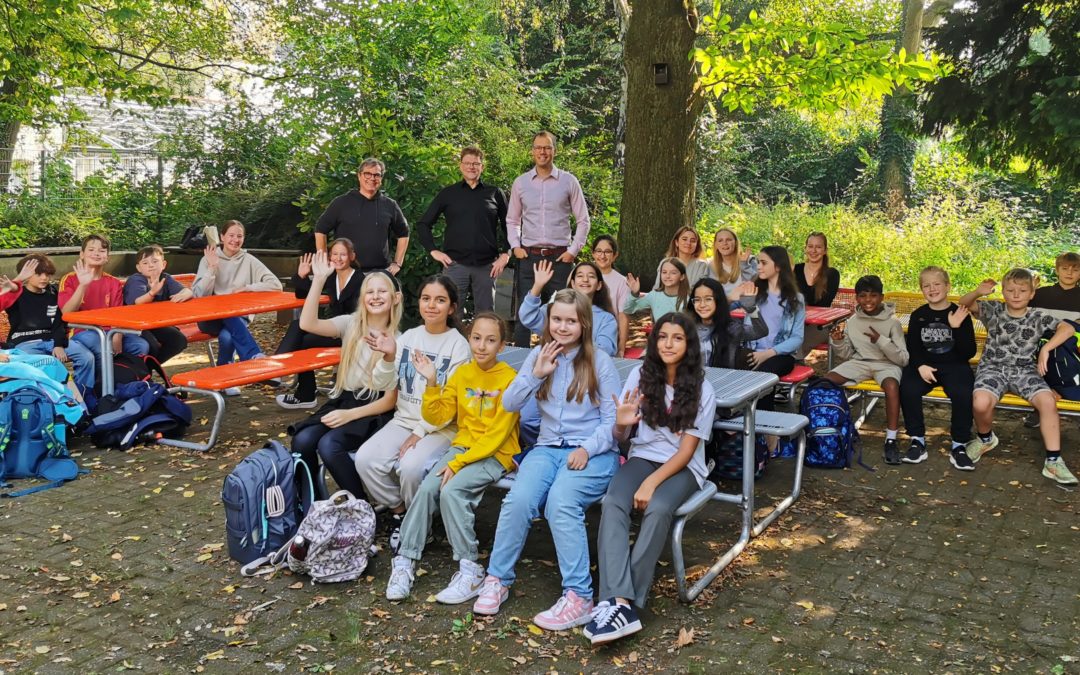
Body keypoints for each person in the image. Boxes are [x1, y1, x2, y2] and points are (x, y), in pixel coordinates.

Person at [473, 289, 620, 631]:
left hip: (593, 452)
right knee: (518, 499)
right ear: (548, 321)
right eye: (557, 319)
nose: (563, 327)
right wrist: (536, 373)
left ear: (584, 323)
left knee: (560, 503)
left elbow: (612, 422)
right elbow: (509, 404)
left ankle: (580, 596)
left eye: (571, 321)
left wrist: (588, 449)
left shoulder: (599, 361)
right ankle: (497, 579)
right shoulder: (539, 354)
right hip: (547, 448)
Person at [585, 313, 716, 644]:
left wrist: (650, 483)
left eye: (677, 338)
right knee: (613, 500)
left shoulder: (703, 389)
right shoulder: (640, 377)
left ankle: (626, 602)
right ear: (654, 342)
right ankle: (615, 601)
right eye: (662, 337)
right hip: (642, 456)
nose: (668, 344)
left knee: (657, 507)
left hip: (683, 468)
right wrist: (620, 424)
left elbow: (686, 452)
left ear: (689, 346)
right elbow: (622, 435)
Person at [385, 312, 520, 604]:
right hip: (462, 448)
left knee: (452, 492)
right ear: (469, 338)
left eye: (490, 340)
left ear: (502, 346)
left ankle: (471, 568)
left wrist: (456, 463)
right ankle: (405, 560)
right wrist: (432, 381)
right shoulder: (462, 374)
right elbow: (438, 415)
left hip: (496, 453)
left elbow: (497, 435)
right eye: (476, 338)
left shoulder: (509, 379)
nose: (482, 346)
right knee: (428, 489)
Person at [360, 275, 472, 550]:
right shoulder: (409, 337)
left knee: (410, 467)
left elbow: (452, 404)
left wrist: (420, 432)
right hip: (404, 420)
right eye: (426, 298)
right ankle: (403, 513)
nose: (431, 305)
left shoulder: (458, 346)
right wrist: (388, 357)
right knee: (365, 460)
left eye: (440, 300)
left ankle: (421, 525)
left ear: (452, 307)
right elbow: (382, 384)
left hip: (441, 427)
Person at [287, 252, 402, 500]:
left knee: (329, 446)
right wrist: (318, 280)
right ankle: (313, 505)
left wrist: (350, 415)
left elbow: (390, 400)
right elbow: (307, 324)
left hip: (375, 409)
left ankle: (361, 508)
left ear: (395, 298)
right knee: (303, 440)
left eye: (382, 291)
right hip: (346, 401)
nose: (375, 296)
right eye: (369, 292)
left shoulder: (399, 340)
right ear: (362, 298)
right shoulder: (350, 324)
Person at [957, 270, 1078, 485]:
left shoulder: (1038, 316)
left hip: (1025, 371)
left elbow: (1067, 328)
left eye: (1022, 291)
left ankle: (1053, 461)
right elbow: (963, 303)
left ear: (1032, 294)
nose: (1016, 295)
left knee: (1048, 401)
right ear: (1003, 291)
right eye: (1010, 290)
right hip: (993, 369)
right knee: (980, 402)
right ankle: (986, 438)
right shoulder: (993, 310)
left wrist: (1046, 349)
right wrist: (977, 292)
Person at [507, 131, 591, 346]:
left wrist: (573, 251)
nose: (542, 151)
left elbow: (583, 220)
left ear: (554, 150)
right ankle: (520, 367)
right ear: (532, 151)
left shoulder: (569, 181)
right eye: (538, 147)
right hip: (529, 257)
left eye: (547, 147)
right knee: (523, 316)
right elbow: (512, 220)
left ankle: (558, 362)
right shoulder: (521, 183)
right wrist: (516, 246)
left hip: (559, 259)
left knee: (561, 313)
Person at [415, 146, 510, 317]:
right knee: (449, 315)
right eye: (467, 163)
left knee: (487, 316)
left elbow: (510, 225)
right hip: (455, 265)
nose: (471, 167)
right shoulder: (448, 193)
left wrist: (506, 254)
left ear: (482, 166)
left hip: (487, 266)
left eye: (476, 163)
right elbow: (423, 224)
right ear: (460, 166)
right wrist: (433, 250)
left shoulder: (495, 193)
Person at [824, 275, 909, 464]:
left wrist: (881, 340)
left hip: (887, 364)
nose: (868, 301)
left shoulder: (892, 322)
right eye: (863, 296)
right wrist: (838, 341)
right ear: (857, 298)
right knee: (826, 381)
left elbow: (903, 359)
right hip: (860, 362)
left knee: (892, 387)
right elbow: (846, 355)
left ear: (882, 297)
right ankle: (831, 430)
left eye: (873, 296)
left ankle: (891, 439)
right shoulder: (853, 321)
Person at [192, 220, 283, 394]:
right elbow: (199, 295)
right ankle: (253, 356)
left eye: (239, 236)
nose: (235, 240)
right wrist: (211, 268)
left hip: (237, 317)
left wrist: (248, 287)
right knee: (226, 309)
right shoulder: (209, 258)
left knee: (227, 337)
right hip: (209, 317)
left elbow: (275, 284)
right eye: (231, 235)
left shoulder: (248, 260)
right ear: (222, 237)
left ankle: (224, 379)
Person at [899, 266, 977, 469]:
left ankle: (959, 444)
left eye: (937, 284)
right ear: (922, 289)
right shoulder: (919, 315)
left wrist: (956, 327)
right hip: (926, 366)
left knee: (963, 393)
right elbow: (913, 347)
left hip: (954, 366)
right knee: (908, 388)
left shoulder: (960, 313)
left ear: (947, 286)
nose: (932, 289)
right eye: (927, 286)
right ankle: (917, 440)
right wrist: (920, 365)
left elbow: (968, 352)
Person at [275, 239, 364, 409]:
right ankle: (289, 379)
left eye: (343, 254)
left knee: (300, 334)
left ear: (352, 256)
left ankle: (283, 373)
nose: (338, 258)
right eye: (334, 254)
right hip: (334, 330)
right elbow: (305, 295)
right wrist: (302, 276)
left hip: (352, 332)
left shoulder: (360, 280)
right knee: (299, 328)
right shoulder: (331, 276)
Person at [59, 234, 149, 393]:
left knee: (140, 345)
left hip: (110, 330)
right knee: (102, 347)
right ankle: (101, 393)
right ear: (81, 254)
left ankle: (126, 383)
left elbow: (118, 312)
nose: (96, 253)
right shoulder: (70, 279)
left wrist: (118, 334)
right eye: (91, 249)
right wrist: (83, 285)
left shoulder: (113, 282)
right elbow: (67, 312)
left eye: (101, 250)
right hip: (82, 331)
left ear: (107, 257)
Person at [0, 254, 94, 397]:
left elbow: (58, 322)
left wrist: (58, 344)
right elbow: (8, 294)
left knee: (86, 357)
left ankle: (83, 397)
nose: (44, 278)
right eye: (38, 274)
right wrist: (14, 284)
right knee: (39, 366)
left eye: (47, 274)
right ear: (27, 275)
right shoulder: (17, 293)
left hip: (50, 340)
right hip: (25, 343)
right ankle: (47, 402)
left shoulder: (52, 294)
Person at [314, 158, 410, 275]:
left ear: (381, 179)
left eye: (377, 175)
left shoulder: (390, 205)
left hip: (380, 273)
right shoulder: (341, 203)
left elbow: (404, 233)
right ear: (359, 176)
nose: (372, 178)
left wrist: (397, 263)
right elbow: (320, 230)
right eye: (367, 174)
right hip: (346, 272)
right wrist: (324, 261)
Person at [744, 246, 805, 412]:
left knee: (763, 379)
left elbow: (797, 338)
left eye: (763, 263)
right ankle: (734, 430)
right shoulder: (754, 292)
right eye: (758, 262)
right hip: (752, 351)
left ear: (778, 266)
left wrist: (768, 353)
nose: (758, 267)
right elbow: (725, 307)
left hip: (780, 355)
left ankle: (766, 432)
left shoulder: (796, 299)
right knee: (734, 373)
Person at [1025, 251, 1080, 427]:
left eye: (1075, 269)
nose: (1069, 273)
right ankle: (1041, 407)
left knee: (1061, 356)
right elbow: (1018, 314)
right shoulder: (1041, 294)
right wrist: (1029, 293)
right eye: (1064, 268)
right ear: (1057, 270)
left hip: (1070, 350)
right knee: (1040, 357)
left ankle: (1062, 399)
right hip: (1039, 347)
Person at [518, 260, 618, 356]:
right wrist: (538, 285)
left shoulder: (607, 319)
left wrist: (571, 348)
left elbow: (605, 350)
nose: (585, 279)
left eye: (591, 276)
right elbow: (527, 317)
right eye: (580, 276)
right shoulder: (556, 307)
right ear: (573, 284)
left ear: (599, 285)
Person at [122, 244, 193, 365]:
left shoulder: (165, 278)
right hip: (135, 324)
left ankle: (148, 368)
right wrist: (152, 293)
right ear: (138, 268)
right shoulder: (136, 280)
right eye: (145, 263)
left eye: (155, 261)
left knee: (179, 340)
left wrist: (187, 293)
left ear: (163, 264)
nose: (151, 265)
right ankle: (144, 372)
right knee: (151, 346)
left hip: (156, 324)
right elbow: (137, 302)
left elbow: (185, 290)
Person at [686, 278, 767, 368]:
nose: (702, 304)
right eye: (697, 300)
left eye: (708, 299)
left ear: (718, 300)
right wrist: (730, 298)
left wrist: (751, 307)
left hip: (723, 379)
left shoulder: (730, 328)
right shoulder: (686, 327)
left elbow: (760, 331)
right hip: (692, 380)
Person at [794, 232, 841, 359]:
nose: (813, 251)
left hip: (820, 325)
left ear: (825, 250)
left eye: (818, 247)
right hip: (796, 321)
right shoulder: (796, 270)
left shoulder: (832, 274)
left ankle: (795, 373)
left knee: (796, 342)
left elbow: (823, 305)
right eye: (810, 246)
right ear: (805, 249)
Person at [591, 235, 630, 356]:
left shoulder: (622, 282)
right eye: (598, 251)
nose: (602, 256)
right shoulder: (582, 275)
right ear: (593, 253)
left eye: (607, 251)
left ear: (615, 255)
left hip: (608, 337)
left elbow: (623, 316)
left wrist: (621, 348)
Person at [624, 258, 689, 322]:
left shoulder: (689, 298)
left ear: (682, 276)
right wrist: (634, 293)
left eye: (673, 273)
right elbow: (628, 310)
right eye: (664, 272)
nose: (667, 276)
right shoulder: (654, 295)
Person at [709, 227, 757, 301]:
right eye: (720, 240)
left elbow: (757, 284)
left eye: (729, 240)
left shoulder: (749, 260)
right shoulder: (711, 265)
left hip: (747, 307)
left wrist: (744, 265)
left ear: (735, 242)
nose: (725, 243)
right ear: (716, 245)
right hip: (724, 308)